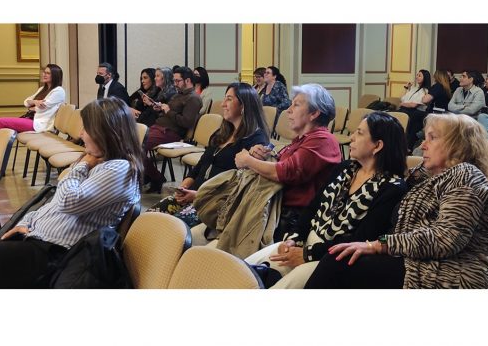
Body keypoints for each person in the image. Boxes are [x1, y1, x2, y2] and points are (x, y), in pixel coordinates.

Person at [0, 97, 143, 288]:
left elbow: (68, 202)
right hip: (39, 243)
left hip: (54, 256)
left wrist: (80, 166)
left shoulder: (119, 169)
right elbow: (53, 206)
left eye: (86, 129)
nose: (80, 135)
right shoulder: (100, 162)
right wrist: (25, 224)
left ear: (105, 134)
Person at [305, 113, 488, 289]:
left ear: (458, 145)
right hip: (415, 261)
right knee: (342, 256)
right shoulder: (424, 177)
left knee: (338, 262)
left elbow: (445, 239)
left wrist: (378, 245)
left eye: (432, 138)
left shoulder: (465, 176)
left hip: (452, 272)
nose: (422, 145)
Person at [245, 111, 408, 288]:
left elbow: (361, 238)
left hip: (330, 259)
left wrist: (307, 253)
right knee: (243, 270)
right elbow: (312, 207)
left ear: (377, 146)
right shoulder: (345, 169)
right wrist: (293, 238)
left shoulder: (392, 188)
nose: (351, 138)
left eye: (359, 133)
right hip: (303, 243)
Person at [146, 82, 270, 227]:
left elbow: (237, 187)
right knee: (149, 217)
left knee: (171, 228)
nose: (223, 104)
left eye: (229, 99)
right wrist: (185, 185)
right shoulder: (223, 132)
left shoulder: (255, 140)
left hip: (214, 203)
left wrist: (197, 195)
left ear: (243, 105)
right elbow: (202, 163)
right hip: (194, 193)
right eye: (224, 98)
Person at [235, 83, 341, 241]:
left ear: (314, 113)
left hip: (293, 221)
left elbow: (286, 172)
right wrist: (263, 156)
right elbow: (282, 164)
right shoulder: (301, 139)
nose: (289, 110)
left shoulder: (323, 139)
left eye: (296, 105)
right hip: (275, 210)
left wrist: (248, 161)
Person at [143, 66, 202, 193]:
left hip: (170, 132)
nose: (174, 84)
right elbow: (170, 111)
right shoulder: (178, 95)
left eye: (177, 81)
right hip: (159, 128)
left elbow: (186, 122)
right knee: (129, 142)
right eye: (174, 80)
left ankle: (156, 177)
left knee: (136, 148)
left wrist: (168, 111)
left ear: (187, 81)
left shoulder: (193, 98)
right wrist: (161, 108)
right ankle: (146, 175)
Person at [0, 64, 66, 137]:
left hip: (39, 124)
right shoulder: (42, 89)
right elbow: (26, 102)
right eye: (44, 72)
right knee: (2, 125)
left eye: (48, 73)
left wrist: (33, 106)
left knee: (1, 121)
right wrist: (35, 102)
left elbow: (42, 108)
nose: (44, 75)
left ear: (55, 76)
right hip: (30, 118)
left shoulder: (58, 91)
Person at [399, 69, 431, 150]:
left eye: (419, 75)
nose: (417, 77)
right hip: (407, 110)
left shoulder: (425, 91)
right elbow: (402, 99)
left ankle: (407, 147)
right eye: (417, 75)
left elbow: (414, 105)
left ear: (425, 78)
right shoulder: (413, 88)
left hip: (417, 112)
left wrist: (403, 104)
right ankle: (405, 146)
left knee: (411, 126)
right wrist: (406, 88)